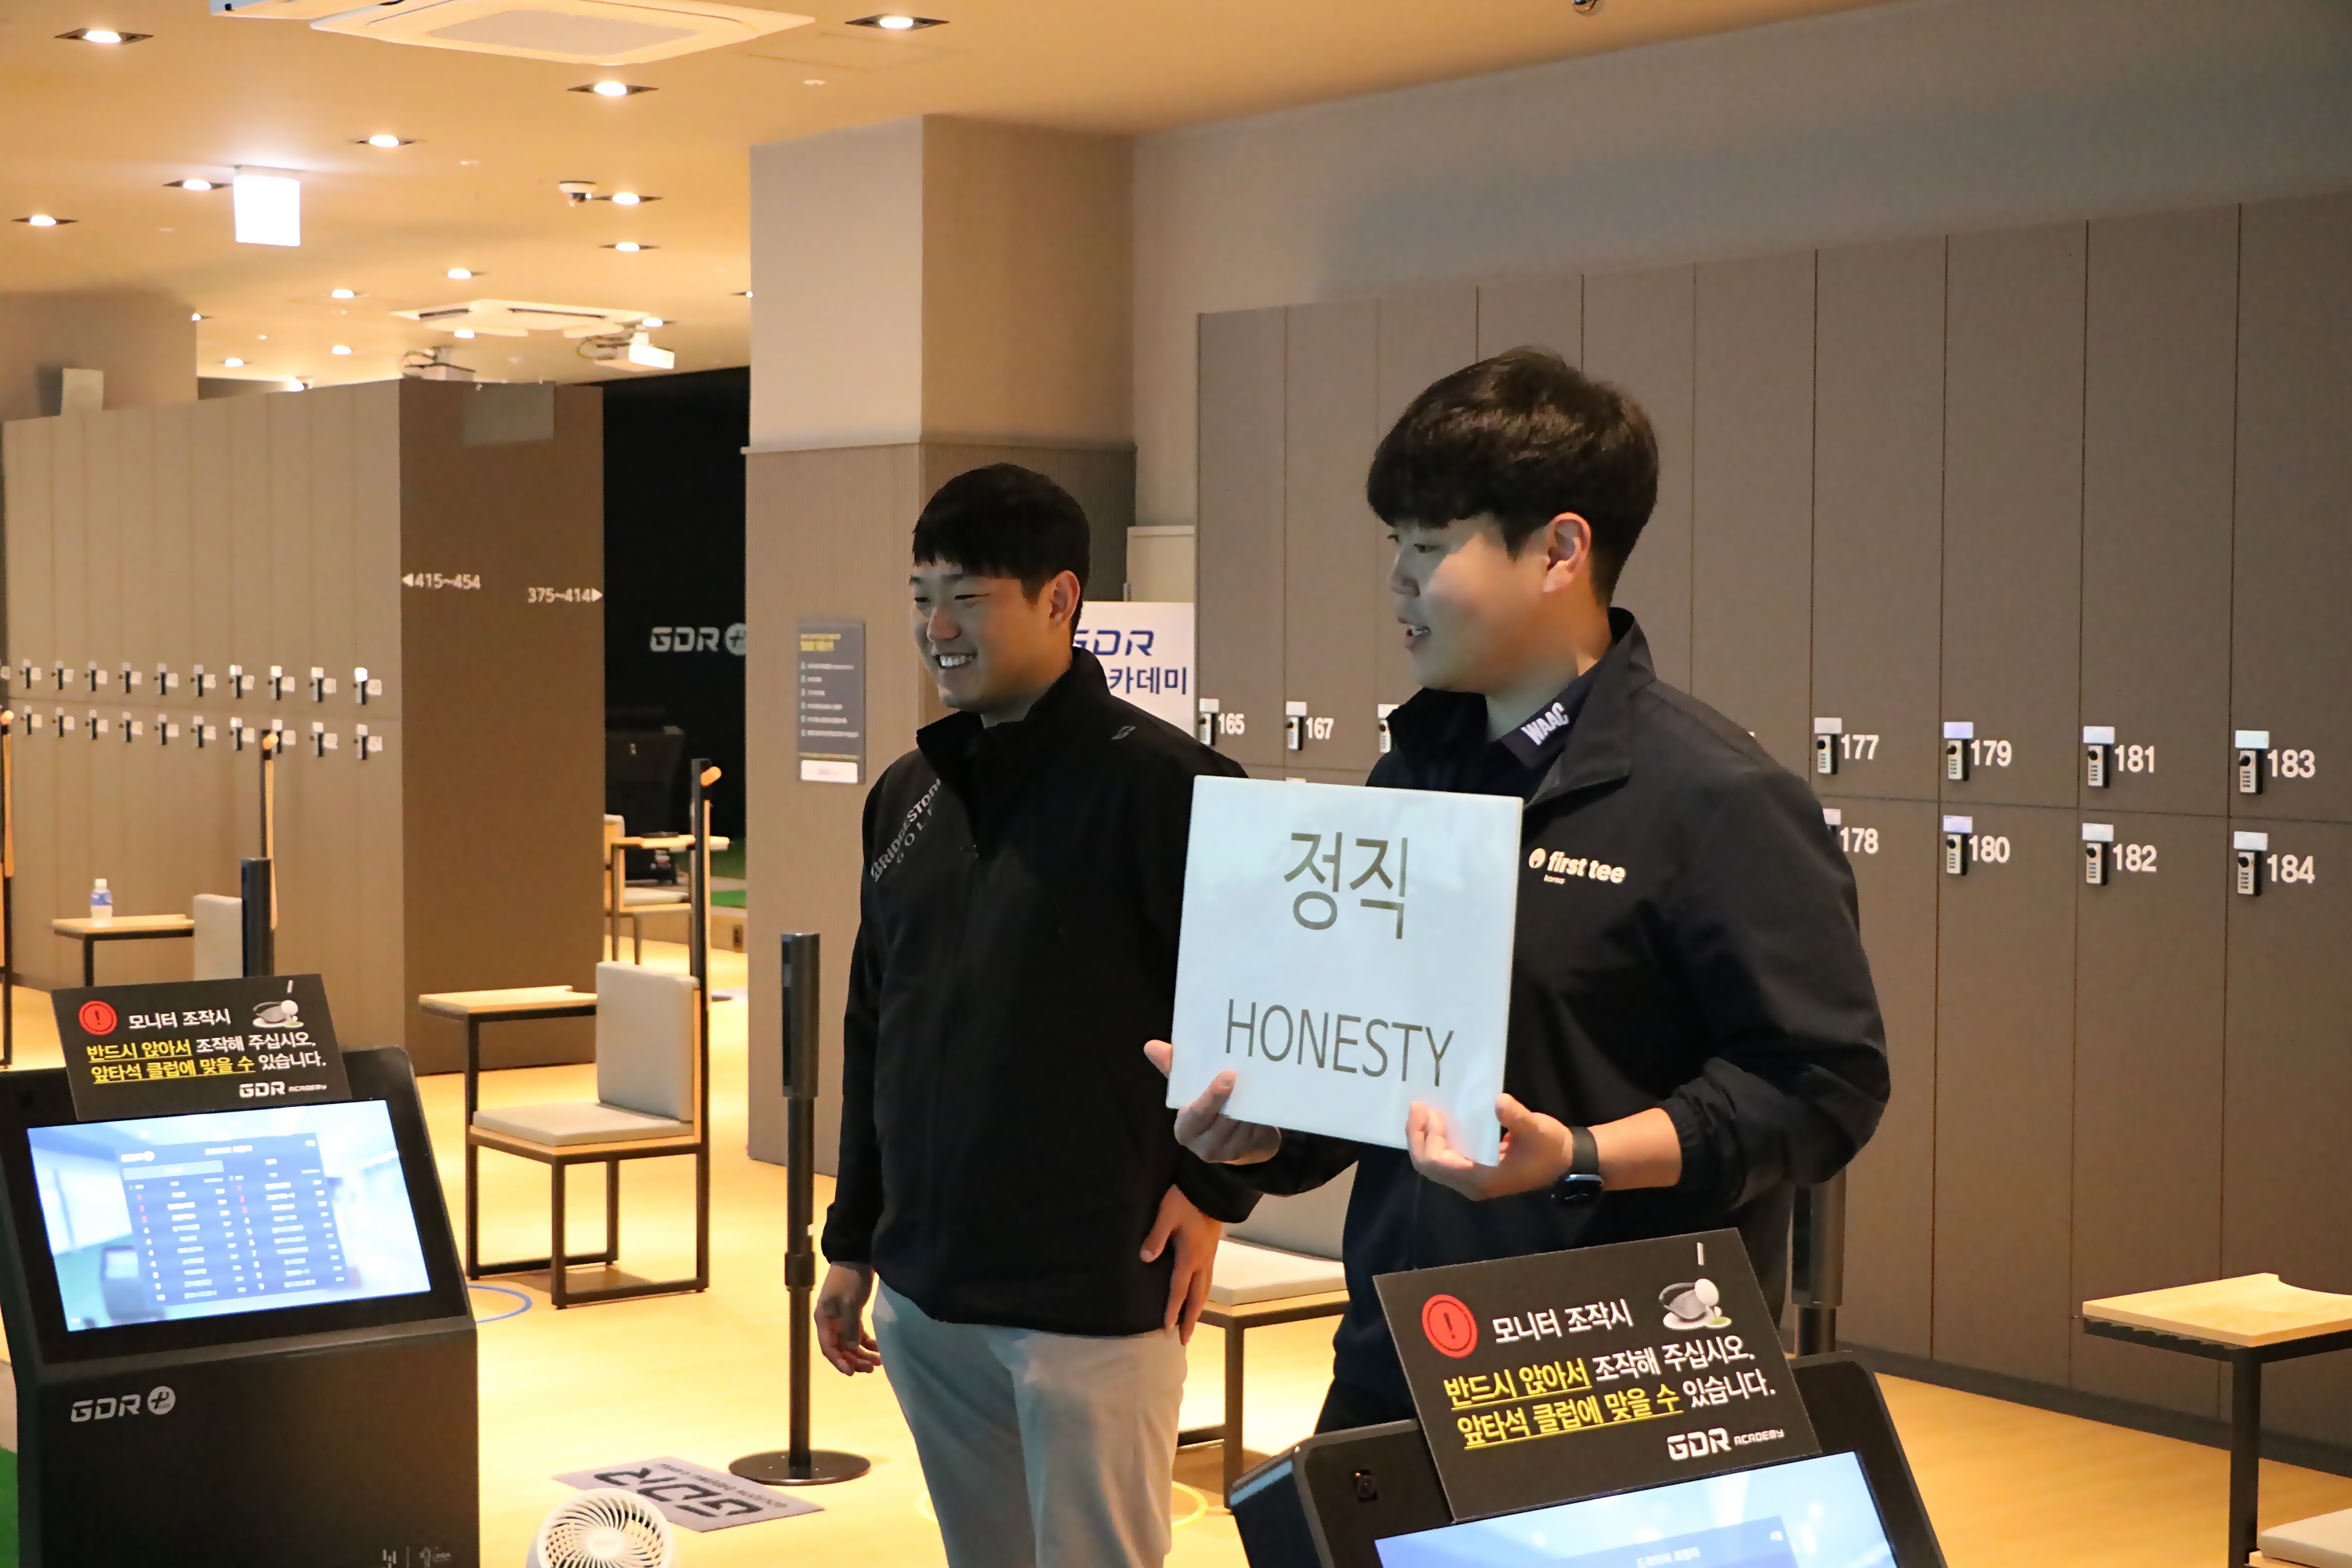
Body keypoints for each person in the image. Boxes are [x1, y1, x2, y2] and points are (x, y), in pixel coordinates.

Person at [1150, 348, 1889, 1432]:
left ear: (1560, 551)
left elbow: (1822, 1085)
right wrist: (1268, 1130)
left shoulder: (1716, 799)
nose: (1399, 580)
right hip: (1403, 1353)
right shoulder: (1413, 774)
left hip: (1616, 1375)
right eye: (1395, 545)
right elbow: (1388, 1065)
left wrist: (1579, 1159)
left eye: (1431, 545)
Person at [817, 463, 1258, 1568]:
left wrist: (1213, 1192)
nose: (936, 627)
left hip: (1089, 1291)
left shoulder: (1175, 788)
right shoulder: (907, 794)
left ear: (1061, 599)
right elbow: (876, 1026)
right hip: (925, 1290)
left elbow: (1256, 1022)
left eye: (967, 597)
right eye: (921, 596)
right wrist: (854, 1240)